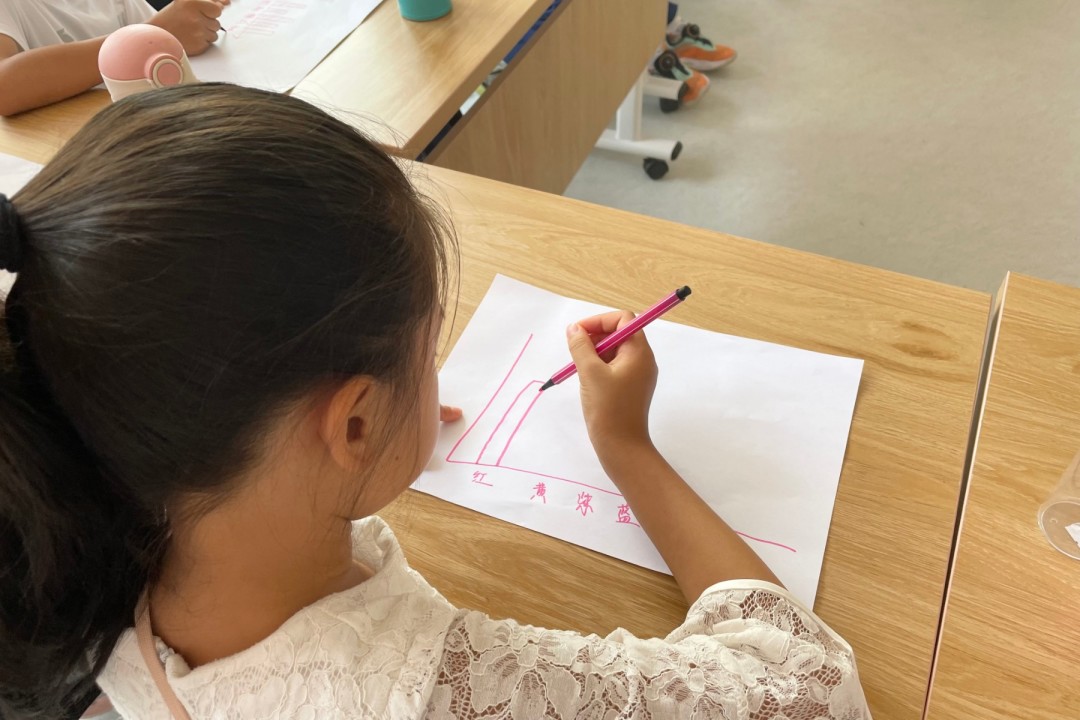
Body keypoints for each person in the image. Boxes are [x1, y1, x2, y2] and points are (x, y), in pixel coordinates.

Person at [0, 84, 870, 719]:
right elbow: (811, 689)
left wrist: (374, 430)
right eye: (428, 356)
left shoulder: (74, 532)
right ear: (354, 421)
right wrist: (628, 448)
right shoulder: (429, 692)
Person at [0, 0, 226, 116]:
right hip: (88, 147)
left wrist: (186, 27)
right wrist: (155, 32)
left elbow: (169, 42)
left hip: (150, 117)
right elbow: (5, 89)